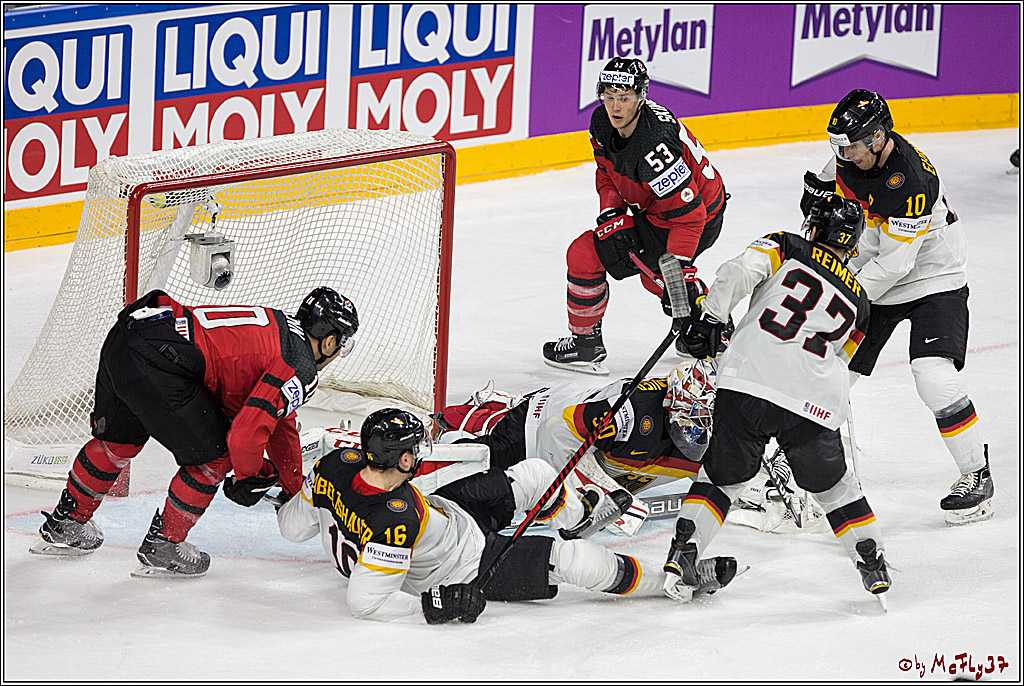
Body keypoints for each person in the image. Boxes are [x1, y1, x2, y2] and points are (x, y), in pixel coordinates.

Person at [276, 408, 739, 624]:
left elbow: (291, 527)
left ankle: (578, 514)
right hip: (464, 565)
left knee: (537, 473)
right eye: (415, 448)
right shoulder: (393, 522)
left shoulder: (334, 466)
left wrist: (299, 500)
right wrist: (436, 603)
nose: (422, 452)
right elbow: (365, 603)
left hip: (449, 514)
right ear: (401, 459)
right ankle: (671, 581)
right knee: (574, 559)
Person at [29, 286, 359, 577]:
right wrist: (249, 476)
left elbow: (280, 421)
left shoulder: (282, 326)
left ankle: (66, 523)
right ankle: (164, 545)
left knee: (118, 442)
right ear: (330, 341)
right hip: (161, 360)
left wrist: (291, 485)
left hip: (131, 333)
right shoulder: (300, 367)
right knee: (215, 457)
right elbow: (244, 437)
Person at [663, 195, 891, 603]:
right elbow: (843, 361)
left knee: (721, 480)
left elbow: (738, 272)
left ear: (815, 227)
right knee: (835, 490)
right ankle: (872, 563)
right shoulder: (861, 303)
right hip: (812, 400)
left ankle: (685, 551)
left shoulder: (787, 245)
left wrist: (711, 319)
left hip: (746, 383)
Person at [802, 88, 993, 526]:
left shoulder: (911, 182)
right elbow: (826, 191)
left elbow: (894, 265)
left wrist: (838, 287)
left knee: (934, 377)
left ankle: (976, 474)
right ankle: (809, 466)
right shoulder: (851, 157)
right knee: (829, 370)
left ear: (878, 137)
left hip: (932, 276)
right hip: (877, 267)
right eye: (839, 146)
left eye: (852, 145)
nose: (845, 154)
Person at [543, 56, 728, 374]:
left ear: (641, 97)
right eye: (609, 96)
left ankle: (710, 328)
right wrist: (611, 210)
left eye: (624, 97)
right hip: (663, 212)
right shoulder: (602, 122)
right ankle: (709, 324)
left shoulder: (654, 146)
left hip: (692, 217)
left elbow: (690, 217)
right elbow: (607, 172)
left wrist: (677, 273)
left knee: (589, 255)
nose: (615, 107)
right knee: (647, 275)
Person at [432, 358, 718, 535]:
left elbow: (731, 473)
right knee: (481, 466)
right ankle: (464, 426)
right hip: (537, 425)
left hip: (576, 421)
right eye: (694, 416)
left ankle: (500, 408)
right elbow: (555, 432)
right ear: (672, 402)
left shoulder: (712, 427)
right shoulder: (630, 414)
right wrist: (585, 500)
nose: (698, 428)